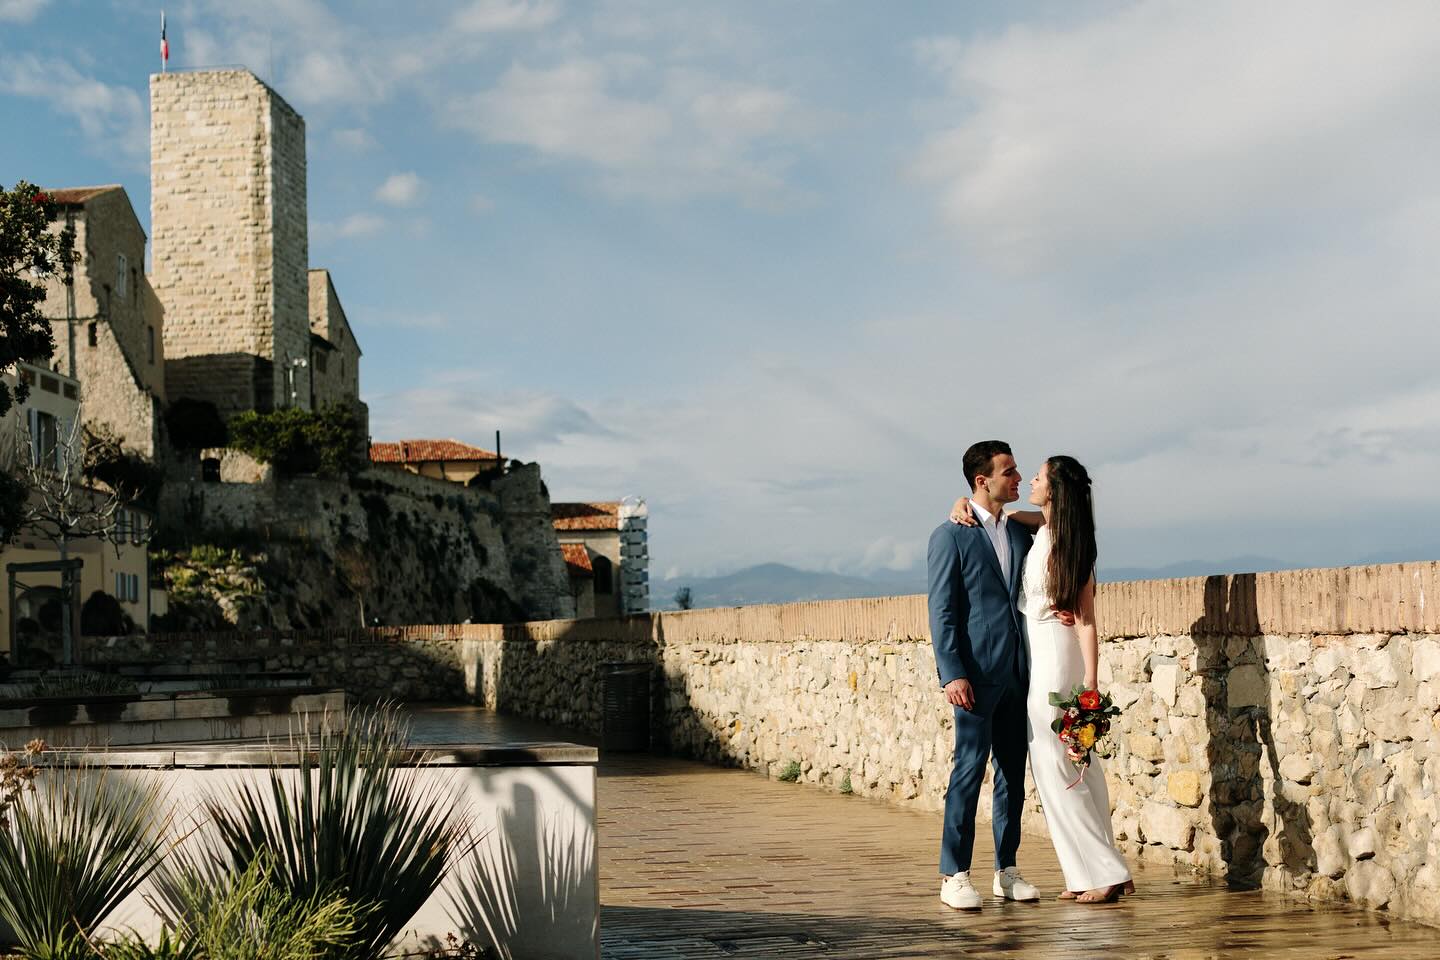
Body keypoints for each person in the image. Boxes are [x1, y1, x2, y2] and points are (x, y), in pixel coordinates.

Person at [951, 456, 1135, 903]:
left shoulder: (1072, 545)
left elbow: (1088, 620)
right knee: (1078, 766)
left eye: (1037, 476)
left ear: (1052, 490)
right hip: (1040, 654)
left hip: (1057, 658)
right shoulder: (1041, 528)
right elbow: (1000, 514)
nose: (1028, 480)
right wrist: (960, 502)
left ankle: (1104, 872)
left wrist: (1090, 683)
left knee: (1056, 764)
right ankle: (1089, 872)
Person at [926, 440, 1041, 911]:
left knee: (1013, 773)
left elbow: (1065, 519)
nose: (1019, 479)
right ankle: (954, 874)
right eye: (1010, 472)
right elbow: (942, 610)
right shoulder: (950, 535)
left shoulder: (1016, 532)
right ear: (983, 480)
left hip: (1017, 672)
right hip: (973, 675)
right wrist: (951, 672)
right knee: (968, 773)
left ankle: (1006, 870)